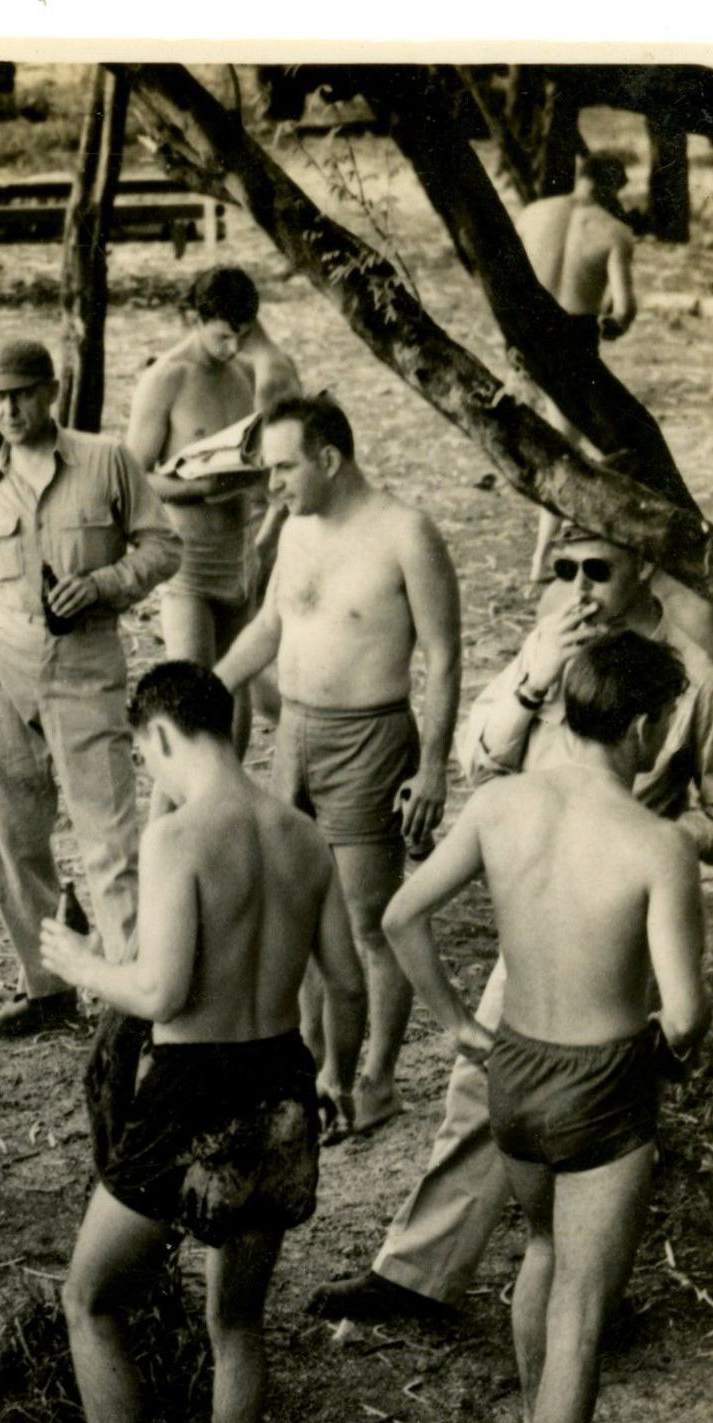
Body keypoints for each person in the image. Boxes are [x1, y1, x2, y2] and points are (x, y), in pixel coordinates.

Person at [311, 523, 713, 1329]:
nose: (579, 587)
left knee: (606, 1116)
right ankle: (418, 1276)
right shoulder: (551, 648)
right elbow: (482, 766)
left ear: (645, 565)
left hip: (624, 922)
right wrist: (529, 681)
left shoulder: (697, 684)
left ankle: (591, 1295)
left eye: (599, 569)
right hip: (534, 905)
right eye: (565, 569)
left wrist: (638, 838)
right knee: (478, 1084)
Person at [382, 634, 707, 1423]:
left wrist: (453, 1028)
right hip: (603, 1080)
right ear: (645, 727)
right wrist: (663, 1054)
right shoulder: (658, 845)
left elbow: (401, 917)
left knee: (538, 1251)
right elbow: (686, 1017)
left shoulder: (501, 802)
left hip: (514, 1064)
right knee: (580, 1315)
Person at [37, 662, 363, 1423]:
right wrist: (338, 1069)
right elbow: (344, 978)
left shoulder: (180, 836)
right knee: (238, 1318)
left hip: (192, 1088)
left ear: (164, 738)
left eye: (148, 759)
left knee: (89, 1299)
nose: (154, 778)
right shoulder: (304, 837)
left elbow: (160, 989)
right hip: (280, 1080)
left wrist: (78, 962)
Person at [216, 395, 462, 1133]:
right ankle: (319, 1066)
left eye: (285, 467)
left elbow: (446, 657)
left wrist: (435, 766)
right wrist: (206, 686)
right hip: (295, 732)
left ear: (329, 458)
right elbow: (269, 627)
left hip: (370, 740)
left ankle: (374, 1079)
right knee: (295, 906)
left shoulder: (405, 533)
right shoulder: (294, 527)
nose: (272, 487)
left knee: (368, 920)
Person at [0, 336, 178, 1041]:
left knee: (107, 834)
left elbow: (164, 547)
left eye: (23, 394)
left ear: (53, 392)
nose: (10, 410)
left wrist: (103, 584)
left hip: (84, 655)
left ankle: (131, 997)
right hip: (1, 656)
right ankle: (50, 988)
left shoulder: (106, 460)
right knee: (16, 835)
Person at [127, 269, 284, 683]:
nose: (233, 349)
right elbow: (131, 479)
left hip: (241, 557)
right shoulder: (166, 378)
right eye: (222, 338)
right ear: (194, 320)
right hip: (188, 565)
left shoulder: (245, 373)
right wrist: (200, 487)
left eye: (243, 336)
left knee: (237, 696)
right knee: (197, 693)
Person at [517, 153, 639, 582]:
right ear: (613, 188)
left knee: (546, 440)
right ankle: (541, 558)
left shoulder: (533, 214)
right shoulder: (614, 232)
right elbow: (624, 308)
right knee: (562, 449)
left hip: (523, 333)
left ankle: (547, 550)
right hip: (570, 342)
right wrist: (614, 324)